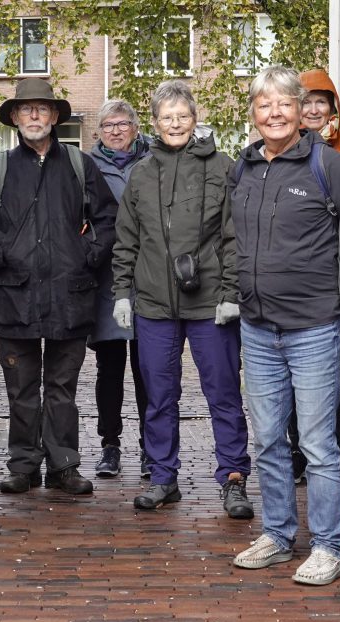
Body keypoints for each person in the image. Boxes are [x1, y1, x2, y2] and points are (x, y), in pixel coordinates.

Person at [230, 65, 340, 585]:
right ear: (253, 112)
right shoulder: (244, 167)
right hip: (257, 328)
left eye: (284, 103)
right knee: (270, 440)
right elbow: (231, 238)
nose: (274, 113)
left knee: (317, 445)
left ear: (300, 110)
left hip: (314, 328)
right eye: (264, 104)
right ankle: (277, 535)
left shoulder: (327, 165)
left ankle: (327, 547)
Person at [0, 78, 117, 496]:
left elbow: (108, 220)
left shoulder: (80, 166)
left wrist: (87, 253)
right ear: (15, 117)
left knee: (62, 389)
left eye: (42, 108)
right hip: (17, 296)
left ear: (54, 116)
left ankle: (64, 465)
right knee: (22, 389)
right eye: (26, 109)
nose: (34, 115)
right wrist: (6, 253)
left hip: (71, 296)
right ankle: (24, 465)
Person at [110, 80, 252, 518]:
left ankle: (233, 477)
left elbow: (234, 237)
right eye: (167, 117)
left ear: (195, 119)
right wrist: (121, 292)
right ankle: (163, 477)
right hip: (155, 305)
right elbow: (126, 239)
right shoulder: (141, 174)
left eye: (183, 116)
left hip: (210, 305)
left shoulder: (223, 167)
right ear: (154, 123)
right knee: (159, 396)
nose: (175, 124)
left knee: (223, 393)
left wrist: (231, 293)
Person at [287, 68, 340, 482]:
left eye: (322, 102)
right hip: (295, 284)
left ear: (333, 106)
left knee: (335, 376)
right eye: (307, 102)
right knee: (291, 377)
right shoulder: (283, 147)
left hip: (339, 282)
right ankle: (297, 453)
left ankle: (331, 452)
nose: (314, 109)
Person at [87, 99, 151, 478]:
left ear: (135, 128)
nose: (115, 131)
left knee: (148, 369)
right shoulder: (86, 166)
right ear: (98, 131)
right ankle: (109, 445)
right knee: (109, 368)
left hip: (149, 280)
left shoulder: (153, 160)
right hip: (106, 280)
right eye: (108, 125)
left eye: (122, 124)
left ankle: (149, 446)